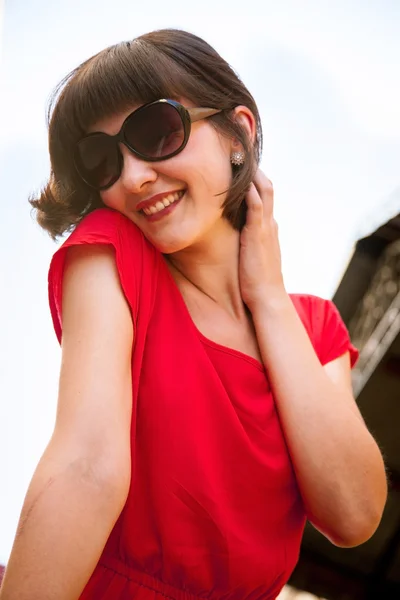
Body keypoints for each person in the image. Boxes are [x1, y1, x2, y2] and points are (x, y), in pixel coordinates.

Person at [0, 29, 387, 600]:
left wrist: (269, 298)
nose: (132, 177)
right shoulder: (110, 251)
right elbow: (87, 468)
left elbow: (353, 514)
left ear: (239, 133)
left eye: (157, 132)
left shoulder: (313, 327)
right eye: (102, 161)